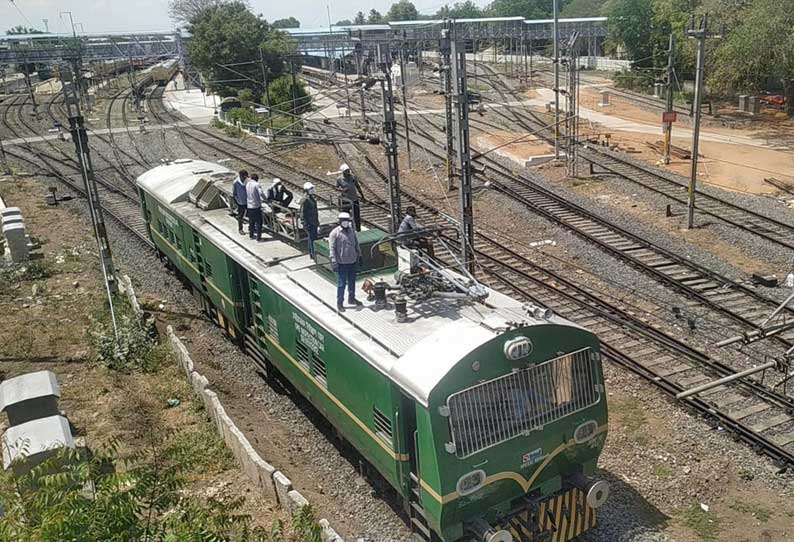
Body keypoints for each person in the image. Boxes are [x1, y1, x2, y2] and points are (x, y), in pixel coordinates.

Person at [328, 212, 362, 312]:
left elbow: (356, 244)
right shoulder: (335, 233)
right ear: (340, 221)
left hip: (352, 261)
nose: (346, 222)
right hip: (341, 263)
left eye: (347, 220)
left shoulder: (352, 231)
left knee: (352, 282)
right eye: (344, 221)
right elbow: (332, 248)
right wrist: (333, 261)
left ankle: (351, 298)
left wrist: (359, 255)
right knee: (341, 284)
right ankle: (340, 303)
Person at [336, 163, 363, 232]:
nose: (348, 172)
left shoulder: (353, 177)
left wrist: (362, 195)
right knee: (345, 216)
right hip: (346, 201)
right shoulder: (339, 179)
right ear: (343, 172)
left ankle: (358, 230)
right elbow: (336, 187)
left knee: (357, 216)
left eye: (348, 170)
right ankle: (346, 230)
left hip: (354, 199)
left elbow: (357, 186)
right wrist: (342, 190)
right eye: (346, 171)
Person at [300, 182, 319, 259]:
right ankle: (312, 254)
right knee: (312, 238)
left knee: (312, 238)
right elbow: (302, 213)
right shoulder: (305, 200)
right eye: (311, 189)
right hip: (309, 223)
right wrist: (305, 223)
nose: (312, 190)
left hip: (314, 222)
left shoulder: (311, 198)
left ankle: (311, 253)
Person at [245, 174, 264, 241]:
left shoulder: (247, 184)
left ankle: (251, 235)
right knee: (259, 222)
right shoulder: (256, 184)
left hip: (249, 206)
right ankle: (259, 238)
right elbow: (261, 193)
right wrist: (265, 199)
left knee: (251, 222)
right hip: (256, 206)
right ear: (257, 179)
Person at [232, 170, 248, 234]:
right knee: (240, 216)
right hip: (240, 201)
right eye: (243, 177)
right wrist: (236, 201)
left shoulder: (247, 181)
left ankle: (252, 227)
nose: (244, 178)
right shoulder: (236, 182)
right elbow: (234, 193)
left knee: (250, 215)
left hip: (248, 201)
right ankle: (240, 229)